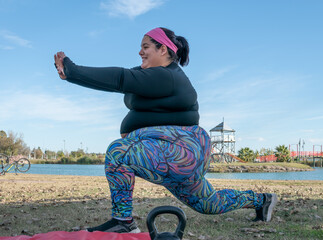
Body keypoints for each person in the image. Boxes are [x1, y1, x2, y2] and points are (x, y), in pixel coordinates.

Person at [54, 27, 278, 234]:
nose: (139, 51)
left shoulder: (166, 75)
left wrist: (72, 70)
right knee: (209, 203)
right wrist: (72, 77)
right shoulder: (154, 76)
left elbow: (119, 78)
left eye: (145, 47)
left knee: (118, 152)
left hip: (181, 150)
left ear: (163, 49)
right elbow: (117, 81)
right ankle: (262, 200)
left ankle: (123, 222)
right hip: (177, 154)